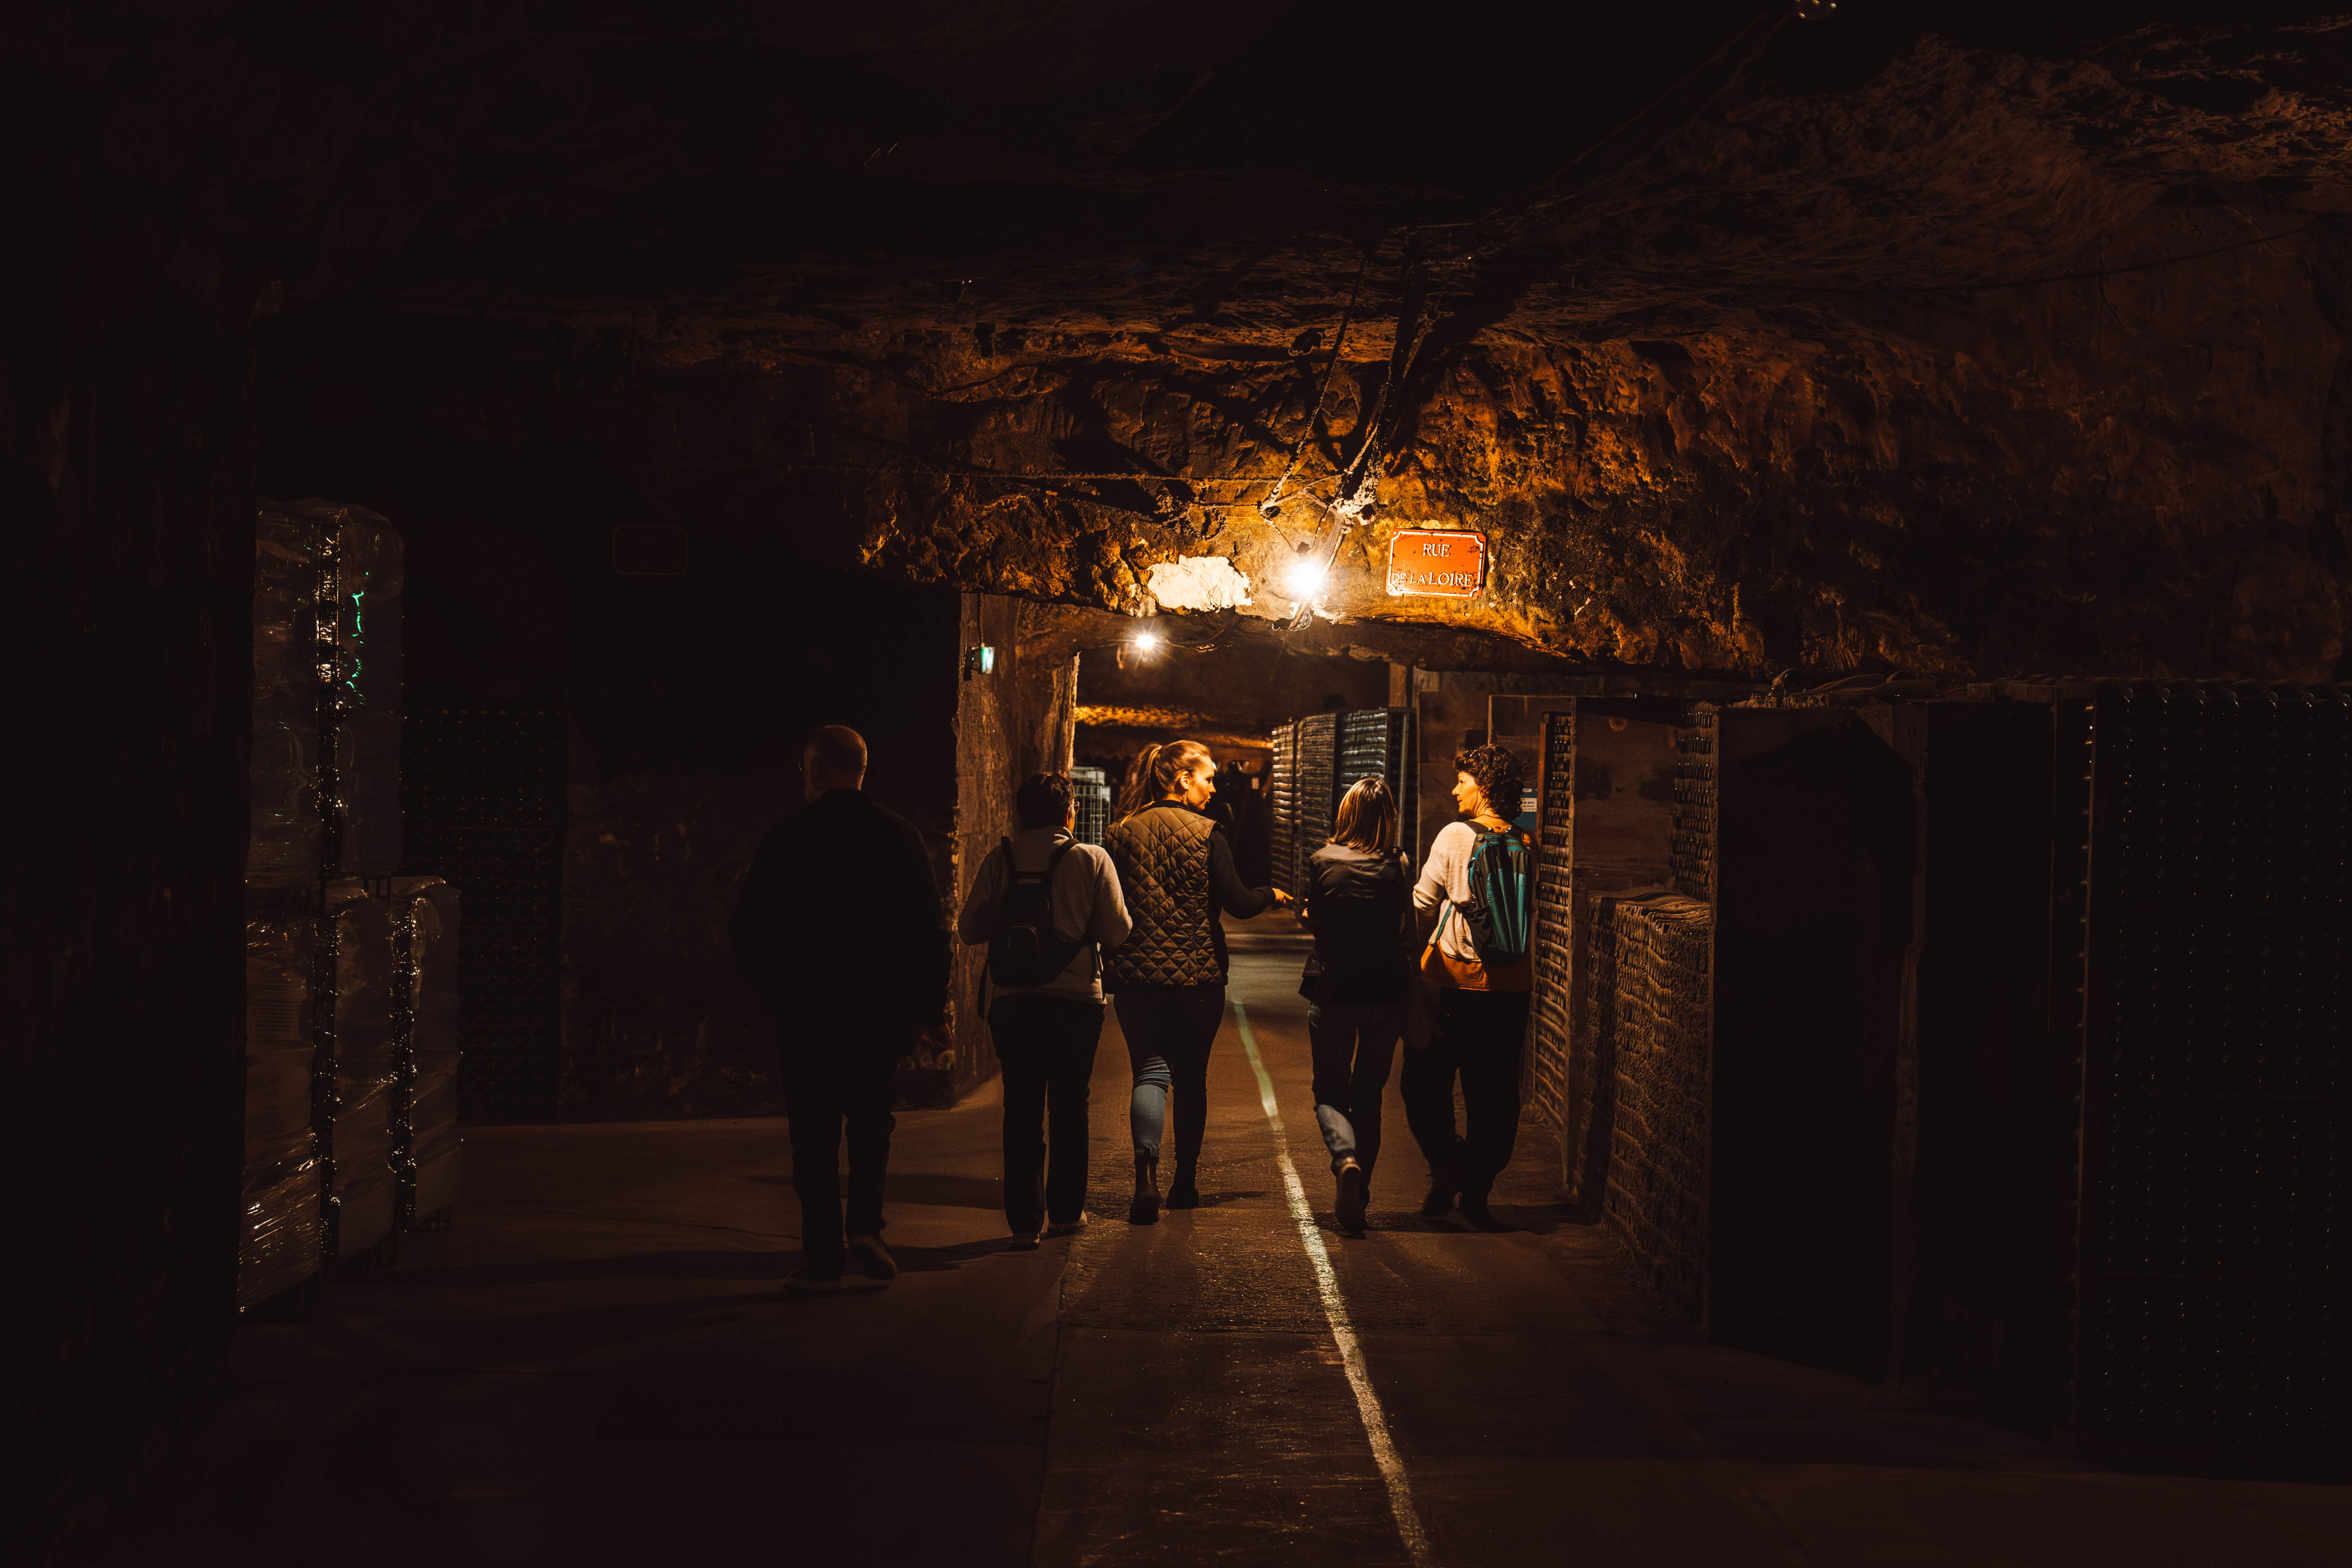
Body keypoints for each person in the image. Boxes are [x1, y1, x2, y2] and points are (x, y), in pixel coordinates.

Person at [730, 725, 950, 1293]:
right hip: (879, 1010)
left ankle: (823, 1252)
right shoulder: (899, 838)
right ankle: (868, 1228)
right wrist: (929, 1010)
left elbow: (750, 928)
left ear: (817, 769)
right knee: (872, 1122)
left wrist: (772, 994)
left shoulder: (789, 839)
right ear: (862, 770)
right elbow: (929, 929)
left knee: (814, 1131)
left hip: (809, 1010)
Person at [1103, 739, 1292, 1222]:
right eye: (1207, 778)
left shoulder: (1121, 833)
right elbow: (1239, 903)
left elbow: (1108, 905)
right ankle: (1184, 1182)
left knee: (1149, 1072)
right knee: (1190, 1080)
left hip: (1136, 979)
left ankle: (1146, 1177)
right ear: (1183, 779)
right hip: (1197, 978)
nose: (1213, 788)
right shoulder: (1209, 834)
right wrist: (1271, 892)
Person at [957, 772, 1132, 1249]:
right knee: (1070, 1105)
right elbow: (1117, 932)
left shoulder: (1001, 859)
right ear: (1069, 812)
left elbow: (969, 929)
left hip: (1012, 1000)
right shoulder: (1092, 858)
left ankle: (1023, 1222)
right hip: (1075, 1000)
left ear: (1020, 813)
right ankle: (1066, 1214)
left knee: (1022, 1107)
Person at [1403, 743, 1534, 1229]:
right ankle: (1478, 1188)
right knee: (1495, 1092)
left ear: (1483, 787)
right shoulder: (1526, 842)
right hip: (1512, 988)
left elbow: (1421, 902)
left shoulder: (1456, 835)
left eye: (1462, 780)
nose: (1455, 788)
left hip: (1452, 983)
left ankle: (1447, 1161)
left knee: (1422, 1081)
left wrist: (1414, 963)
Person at [1297, 775, 1415, 1237]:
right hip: (1386, 993)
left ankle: (1345, 1159)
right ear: (1387, 819)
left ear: (1346, 815)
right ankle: (1360, 1195)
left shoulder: (1322, 860)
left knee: (1330, 1092)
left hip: (1335, 990)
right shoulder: (1399, 864)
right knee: (1369, 1096)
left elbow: (1315, 920)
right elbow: (1407, 925)